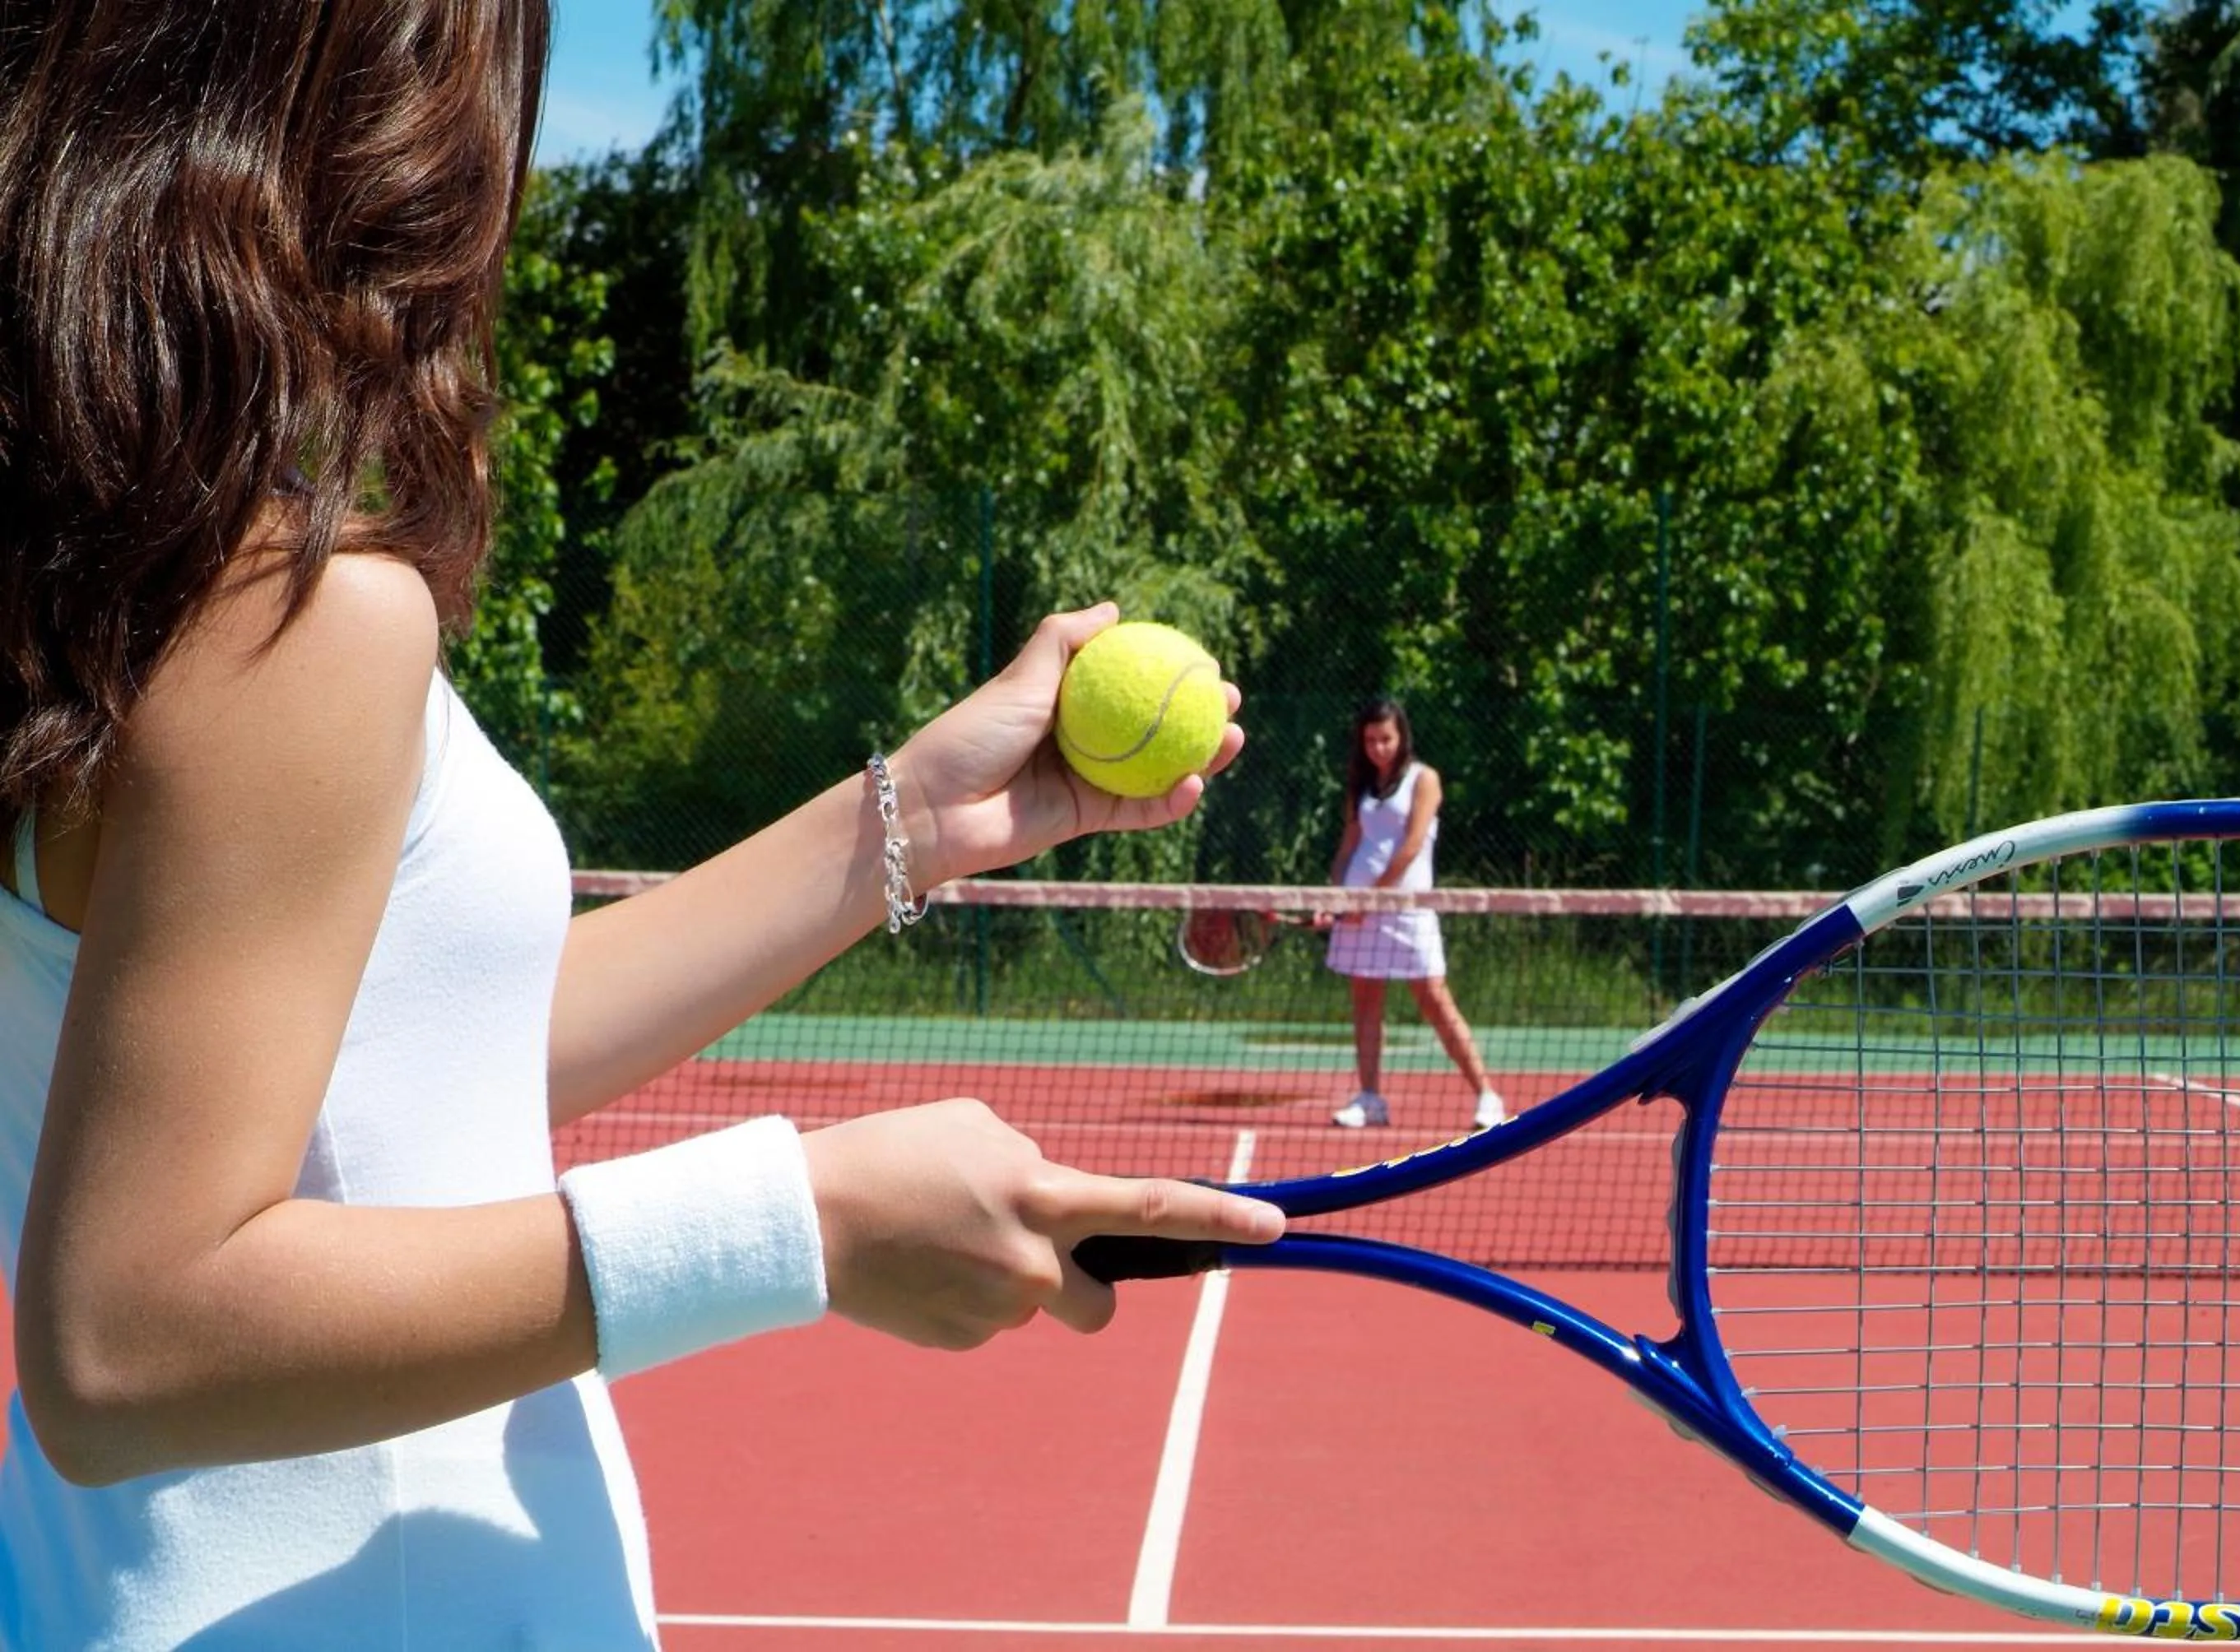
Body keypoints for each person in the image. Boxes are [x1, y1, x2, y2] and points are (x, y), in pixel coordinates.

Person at [0, 5, 1283, 1647]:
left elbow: (404, 1084)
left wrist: (908, 819)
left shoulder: (109, 591)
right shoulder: (294, 623)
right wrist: (804, 1219)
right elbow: (128, 1340)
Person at [1323, 697, 1508, 1131]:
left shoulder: (1425, 780)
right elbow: (1350, 844)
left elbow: (1411, 845)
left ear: (1401, 736)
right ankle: (1371, 1099)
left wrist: (1371, 898)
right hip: (1358, 908)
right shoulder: (1361, 784)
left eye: (1385, 738)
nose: (1378, 748)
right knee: (1366, 1003)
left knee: (1435, 1000)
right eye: (1370, 740)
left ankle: (1487, 1095)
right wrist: (1334, 896)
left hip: (1407, 908)